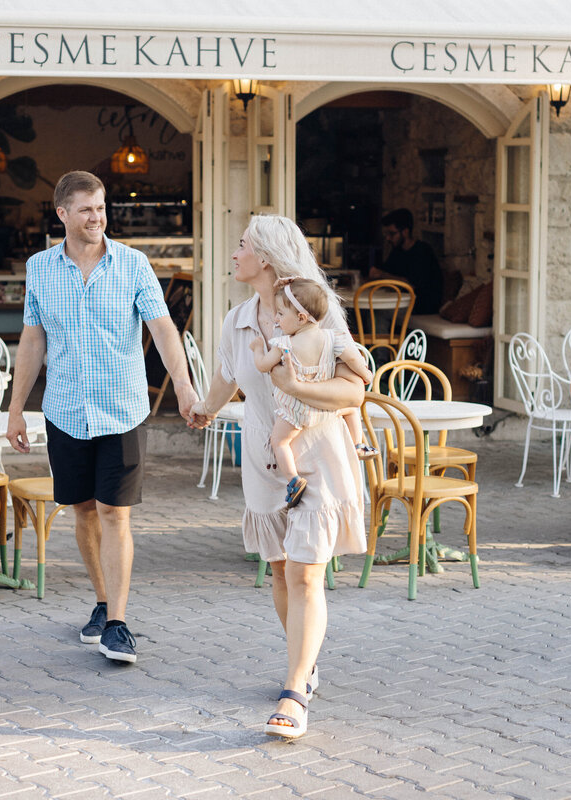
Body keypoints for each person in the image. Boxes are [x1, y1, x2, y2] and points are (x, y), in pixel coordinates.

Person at [5, 170, 197, 666]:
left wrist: (184, 385)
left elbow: (164, 329)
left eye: (102, 207)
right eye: (86, 209)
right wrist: (15, 409)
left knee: (115, 512)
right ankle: (102, 601)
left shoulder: (133, 265)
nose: (97, 217)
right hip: (65, 410)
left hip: (122, 410)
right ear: (62, 214)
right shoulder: (40, 269)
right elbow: (32, 340)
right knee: (84, 510)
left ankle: (117, 623)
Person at [190, 215, 367, 740]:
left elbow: (354, 393)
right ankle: (305, 664)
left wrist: (293, 386)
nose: (235, 252)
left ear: (265, 258)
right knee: (281, 570)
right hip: (264, 464)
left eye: (242, 245)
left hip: (316, 456)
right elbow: (228, 375)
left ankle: (293, 692)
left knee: (306, 574)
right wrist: (203, 407)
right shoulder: (238, 318)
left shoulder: (320, 312)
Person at [250, 276, 376, 508]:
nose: (276, 318)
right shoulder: (333, 338)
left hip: (296, 411)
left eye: (280, 314)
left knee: (279, 442)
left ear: (300, 317)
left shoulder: (284, 344)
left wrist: (258, 348)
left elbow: (263, 365)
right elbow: (354, 360)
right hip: (325, 408)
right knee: (351, 408)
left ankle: (293, 479)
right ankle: (357, 444)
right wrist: (367, 376)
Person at [369, 208, 443, 314]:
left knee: (378, 312)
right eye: (387, 234)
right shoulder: (397, 250)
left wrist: (382, 275)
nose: (388, 238)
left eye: (392, 234)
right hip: (401, 301)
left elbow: (411, 284)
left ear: (405, 232)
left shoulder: (422, 251)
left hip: (422, 305)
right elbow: (387, 270)